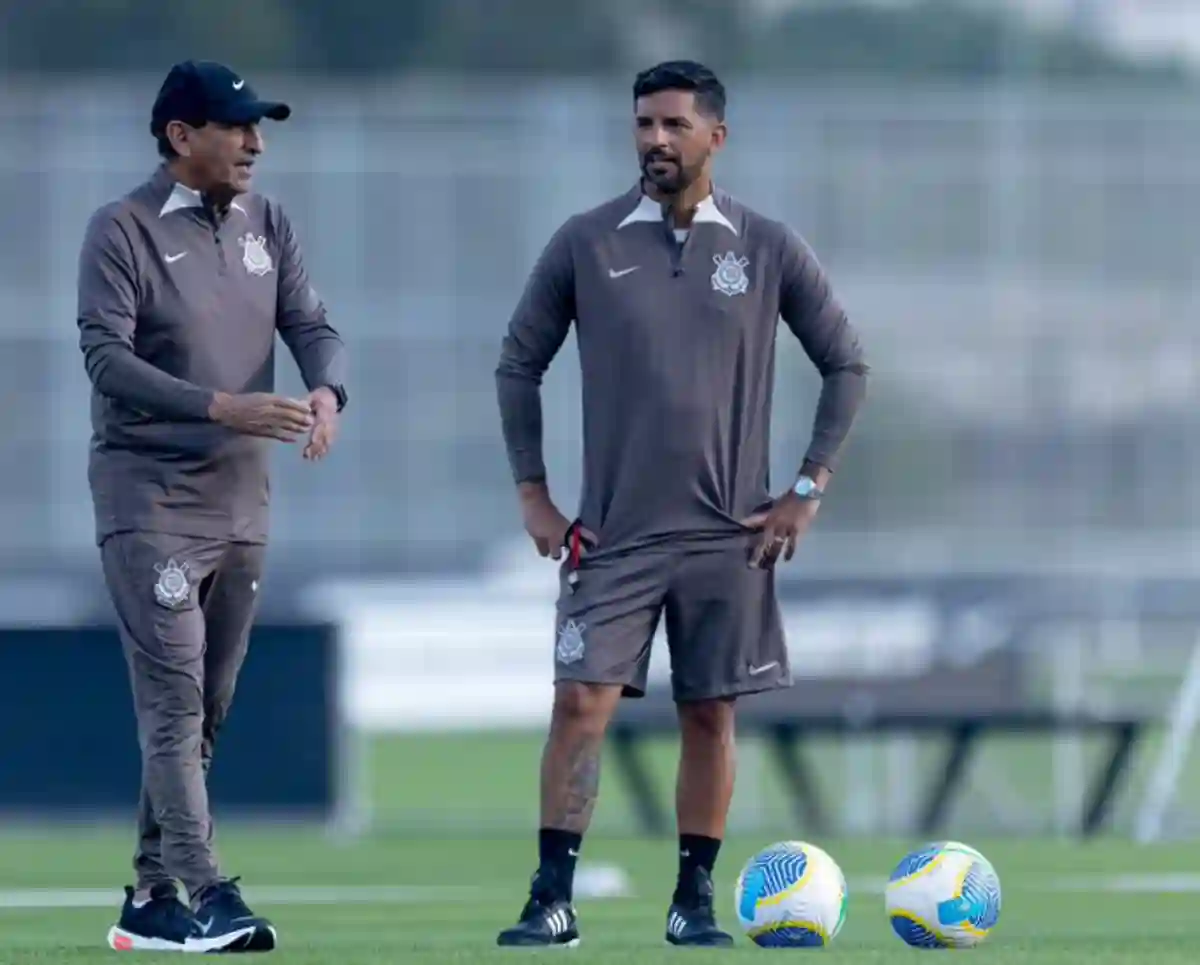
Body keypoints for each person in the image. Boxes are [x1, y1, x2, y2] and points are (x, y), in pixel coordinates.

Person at [494, 60, 868, 948]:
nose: (654, 140)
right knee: (580, 701)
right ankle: (552, 896)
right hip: (613, 534)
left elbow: (847, 364)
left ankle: (692, 898)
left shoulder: (765, 245)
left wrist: (806, 489)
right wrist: (535, 495)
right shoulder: (585, 243)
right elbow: (518, 363)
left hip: (727, 536)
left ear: (715, 137)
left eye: (671, 125)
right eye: (642, 125)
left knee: (709, 711)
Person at [76, 60, 349, 954]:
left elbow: (310, 322)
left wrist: (327, 392)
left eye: (259, 127)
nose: (256, 143)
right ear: (180, 136)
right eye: (237, 127)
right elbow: (106, 361)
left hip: (242, 502)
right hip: (148, 497)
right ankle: (210, 893)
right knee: (174, 704)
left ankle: (150, 897)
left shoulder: (269, 222)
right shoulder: (120, 230)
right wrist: (221, 405)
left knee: (211, 703)